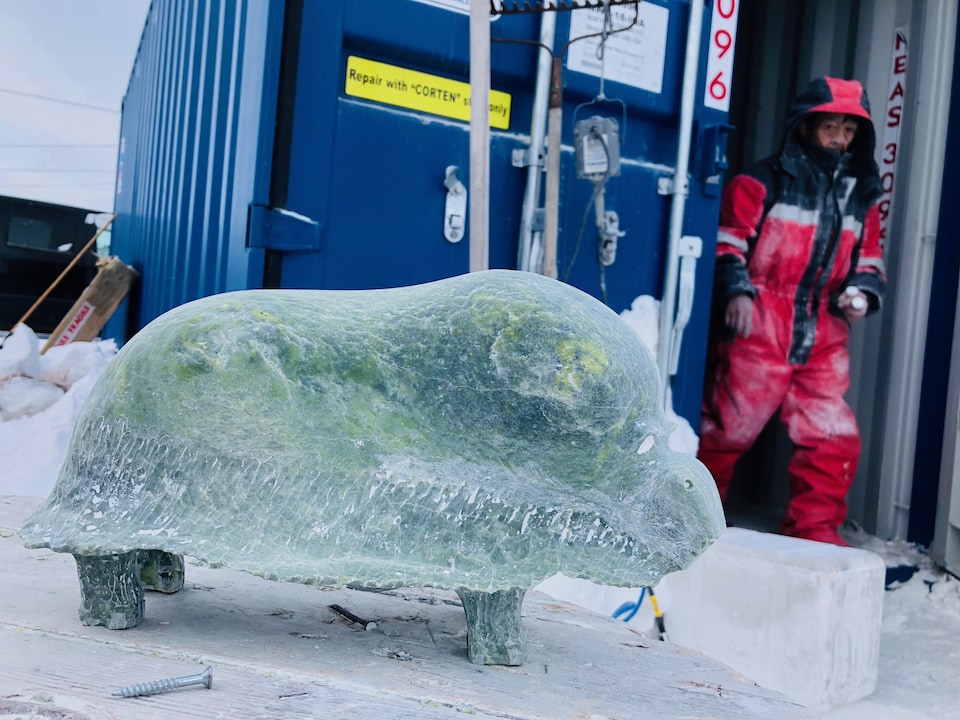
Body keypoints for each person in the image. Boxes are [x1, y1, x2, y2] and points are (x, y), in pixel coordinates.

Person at [697, 76, 885, 546]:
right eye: (830, 128)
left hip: (824, 328)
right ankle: (694, 527)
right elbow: (726, 243)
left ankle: (815, 533)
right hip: (763, 319)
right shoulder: (761, 181)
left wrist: (861, 292)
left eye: (848, 131)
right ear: (805, 126)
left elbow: (870, 262)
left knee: (833, 437)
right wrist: (737, 292)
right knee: (728, 430)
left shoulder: (862, 196)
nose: (839, 139)